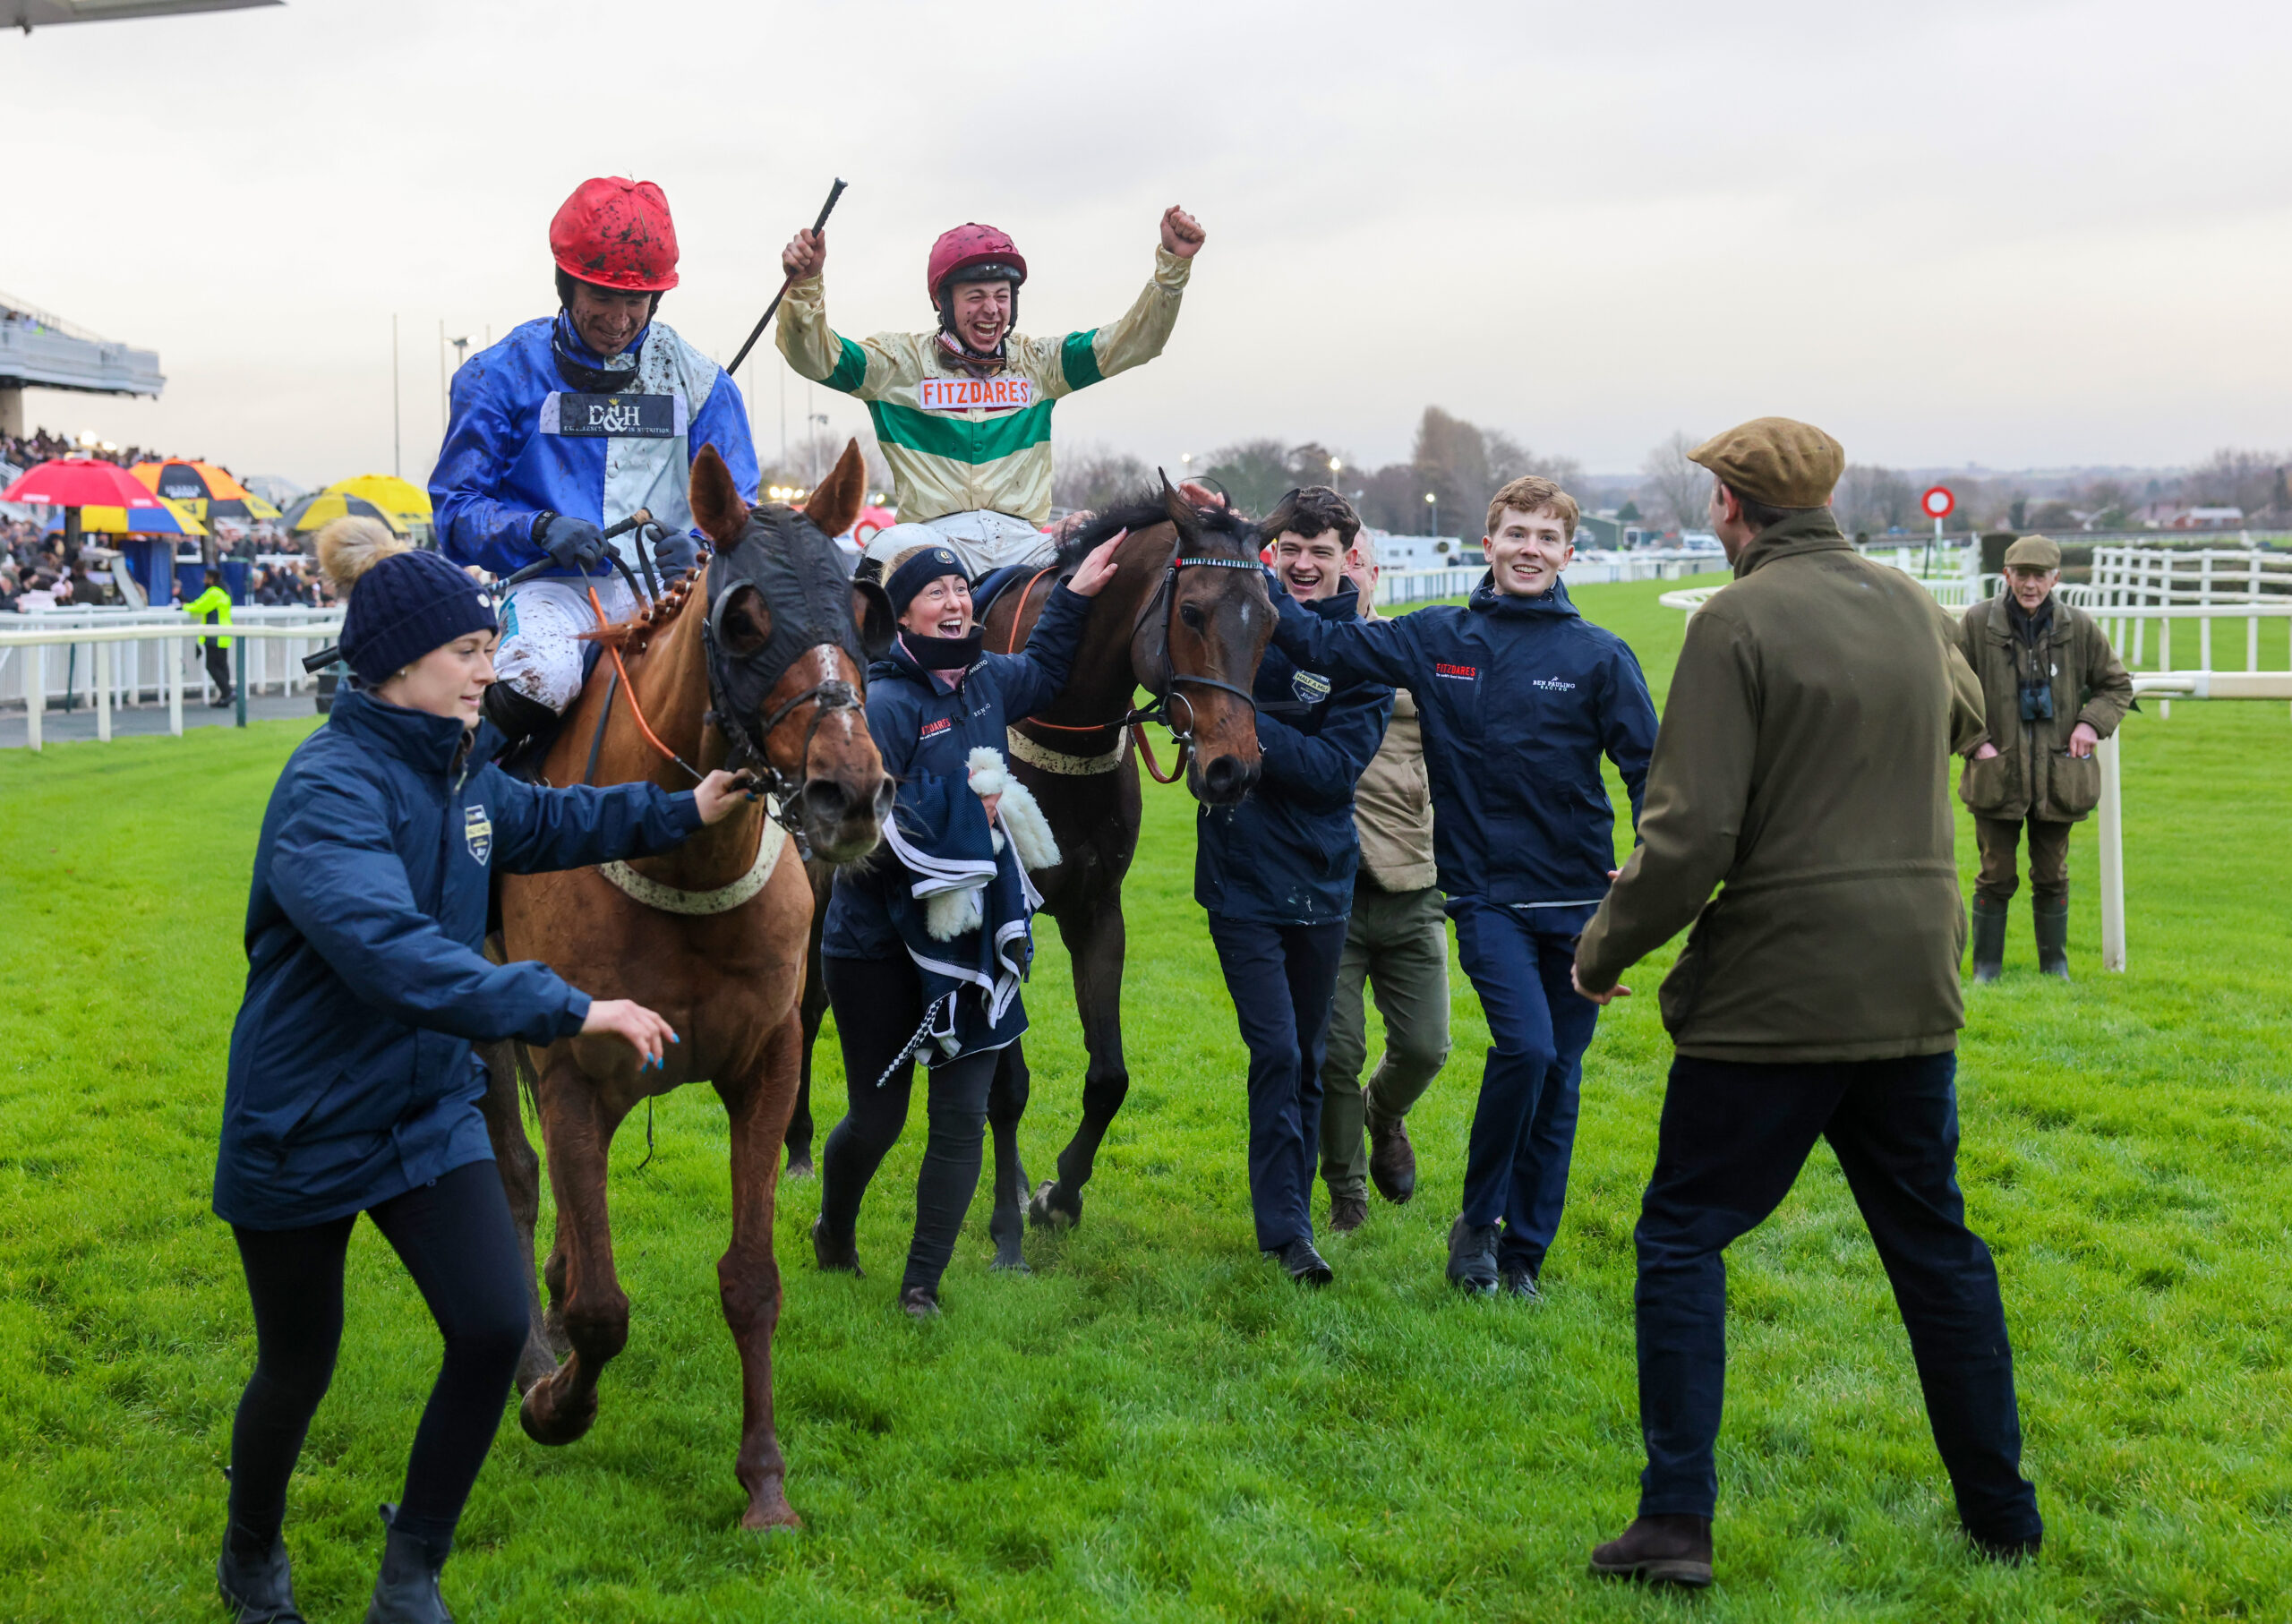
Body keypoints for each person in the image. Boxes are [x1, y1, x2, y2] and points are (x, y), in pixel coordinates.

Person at [210, 517, 756, 1624]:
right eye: (469, 650)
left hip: (424, 1114)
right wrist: (569, 1001)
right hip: (301, 1120)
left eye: (489, 646)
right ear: (400, 662)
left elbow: (559, 817)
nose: (489, 668)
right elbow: (396, 958)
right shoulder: (327, 790)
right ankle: (250, 1545)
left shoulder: (466, 772)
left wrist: (681, 807)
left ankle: (411, 1570)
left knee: (492, 1327)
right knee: (298, 1365)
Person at [1570, 418, 2040, 1588]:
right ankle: (2003, 1514)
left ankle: (1675, 1521)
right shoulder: (1904, 602)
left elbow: (1688, 838)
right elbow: (1965, 720)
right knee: (1936, 1249)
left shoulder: (1734, 620)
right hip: (1912, 979)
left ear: (1733, 506)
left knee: (1682, 1235)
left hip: (1775, 988)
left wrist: (1599, 950)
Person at [1263, 475, 1656, 1297]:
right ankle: (1478, 1227)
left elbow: (1650, 770)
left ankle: (1524, 1256)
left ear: (1567, 554)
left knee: (1560, 1079)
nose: (1529, 549)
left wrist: (1650, 860)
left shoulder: (1600, 657)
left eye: (1546, 538)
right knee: (1528, 1047)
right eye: (1516, 533)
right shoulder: (1438, 638)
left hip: (1580, 903)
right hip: (1484, 899)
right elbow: (1320, 646)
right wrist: (1245, 565)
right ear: (1489, 543)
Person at [814, 530, 1123, 1316]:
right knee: (878, 1120)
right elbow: (862, 840)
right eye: (935, 593)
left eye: (960, 590)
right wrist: (966, 815)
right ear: (904, 615)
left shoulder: (987, 682)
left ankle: (921, 1286)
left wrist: (1078, 592)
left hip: (974, 945)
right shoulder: (882, 704)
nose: (955, 603)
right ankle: (835, 1231)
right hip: (875, 947)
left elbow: (1049, 669)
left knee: (959, 1121)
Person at [430, 176, 761, 756]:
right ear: (567, 285)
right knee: (546, 678)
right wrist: (537, 529)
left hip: (674, 594)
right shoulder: (497, 376)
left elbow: (740, 510)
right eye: (602, 297)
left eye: (634, 302)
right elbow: (455, 514)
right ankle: (457, 807)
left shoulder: (705, 384)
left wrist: (704, 549)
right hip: (549, 591)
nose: (618, 318)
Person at [775, 206, 1205, 576]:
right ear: (943, 303)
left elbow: (1135, 342)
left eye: (1001, 296)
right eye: (975, 296)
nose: (991, 309)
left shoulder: (1042, 363)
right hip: (930, 539)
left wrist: (1172, 268)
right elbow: (815, 357)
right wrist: (806, 283)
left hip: (1025, 541)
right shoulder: (897, 363)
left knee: (1109, 558)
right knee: (883, 548)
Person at [1200, 490, 1392, 1285]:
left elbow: (1330, 774)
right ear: (1271, 553)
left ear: (1348, 556)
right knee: (1276, 1050)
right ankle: (1285, 1236)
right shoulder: (1243, 626)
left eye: (1320, 550)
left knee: (1309, 1058)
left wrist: (1240, 721)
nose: (1304, 564)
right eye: (1290, 550)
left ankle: (1297, 1216)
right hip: (1240, 882)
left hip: (1321, 881)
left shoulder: (1363, 650)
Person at [1311, 518, 1452, 1234]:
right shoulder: (1290, 650)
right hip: (1327, 890)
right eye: (1341, 561)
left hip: (1413, 882)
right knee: (1336, 1055)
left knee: (1427, 1046)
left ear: (1373, 569)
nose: (1349, 571)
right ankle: (1347, 1199)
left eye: (1359, 561)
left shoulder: (1416, 651)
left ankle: (1385, 1114)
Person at [1958, 534, 2133, 980]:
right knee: (1995, 873)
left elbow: (2116, 686)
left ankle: (2055, 966)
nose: (2030, 585)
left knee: (2053, 873)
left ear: (2056, 577)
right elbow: (1948, 689)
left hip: (2059, 775)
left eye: (2039, 575)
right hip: (1996, 771)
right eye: (2021, 575)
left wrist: (2090, 724)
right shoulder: (1977, 625)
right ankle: (1985, 970)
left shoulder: (2079, 626)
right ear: (2006, 575)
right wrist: (1976, 742)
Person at [181, 568, 236, 705]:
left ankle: (228, 692)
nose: (203, 580)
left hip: (214, 634)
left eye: (206, 578)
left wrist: (184, 607)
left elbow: (200, 606)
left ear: (212, 579)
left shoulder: (214, 592)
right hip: (223, 634)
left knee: (211, 665)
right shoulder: (224, 591)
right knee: (222, 666)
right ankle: (225, 697)